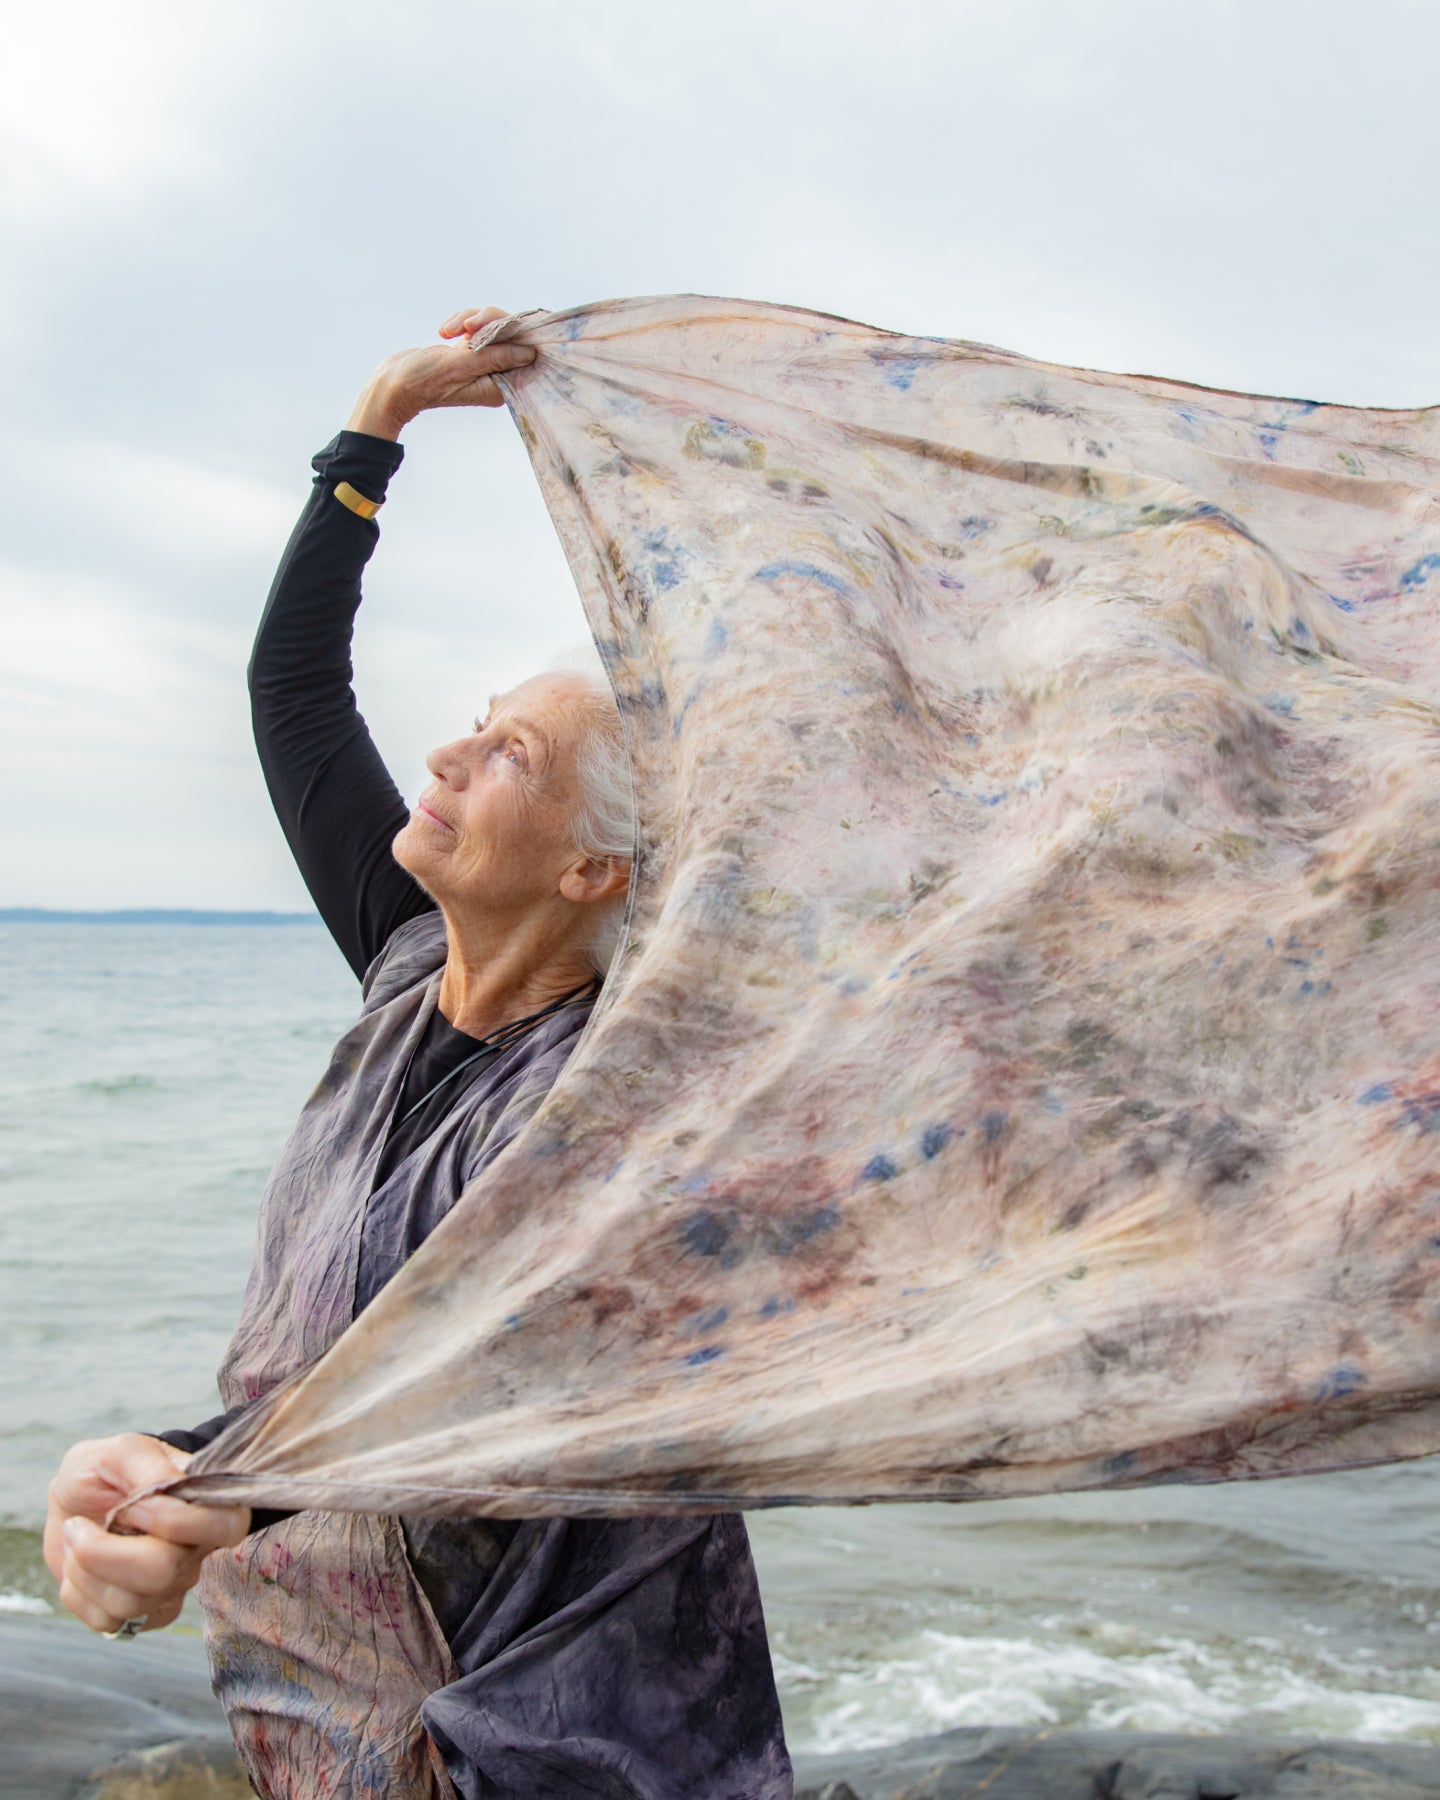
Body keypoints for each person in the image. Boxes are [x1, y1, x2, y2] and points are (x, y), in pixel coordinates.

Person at [44, 307, 794, 1800]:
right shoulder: (402, 962)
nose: (448, 755)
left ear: (594, 870)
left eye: (511, 755)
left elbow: (451, 1383)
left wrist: (208, 1489)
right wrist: (372, 433)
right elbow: (295, 694)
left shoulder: (615, 1110)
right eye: (472, 725)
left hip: (559, 1739)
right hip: (328, 1696)